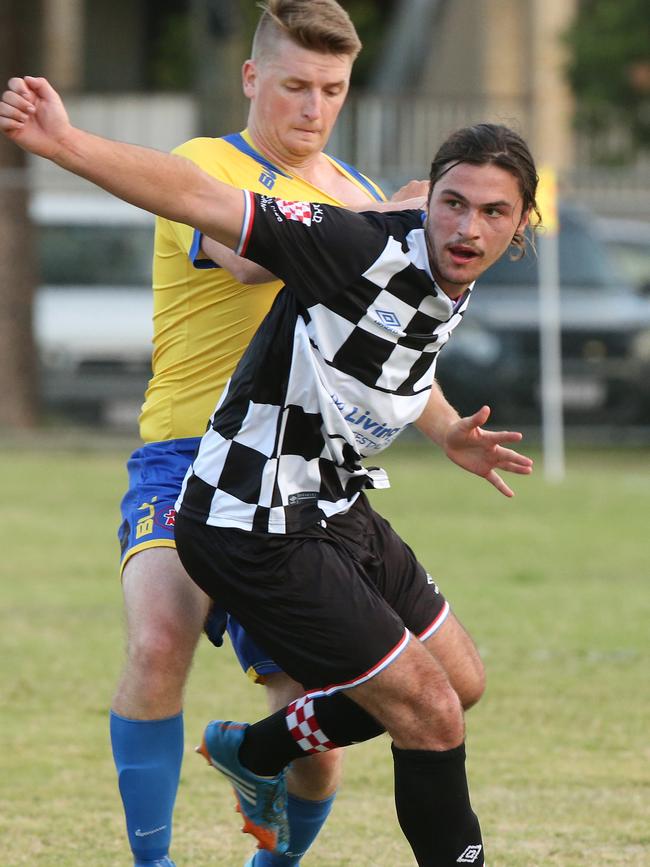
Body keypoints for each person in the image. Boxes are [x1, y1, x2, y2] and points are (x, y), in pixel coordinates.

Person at [0, 74, 539, 866]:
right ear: (429, 204)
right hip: (249, 517)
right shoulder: (352, 241)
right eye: (453, 204)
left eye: (493, 212)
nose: (466, 226)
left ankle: (255, 751)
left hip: (330, 499)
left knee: (459, 682)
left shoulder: (448, 259)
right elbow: (200, 197)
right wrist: (65, 144)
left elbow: (388, 356)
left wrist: (448, 428)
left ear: (522, 224)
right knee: (429, 711)